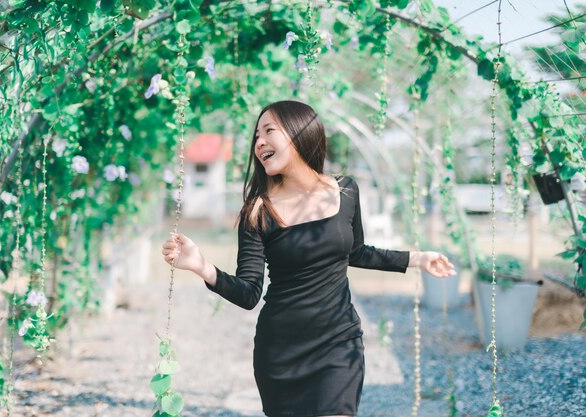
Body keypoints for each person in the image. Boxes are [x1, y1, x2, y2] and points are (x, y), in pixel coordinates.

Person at [161, 100, 456, 417]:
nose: (259, 142)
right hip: (281, 353)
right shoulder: (258, 210)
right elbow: (249, 293)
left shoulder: (345, 191)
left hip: (338, 343)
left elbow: (356, 252)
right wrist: (200, 266)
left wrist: (417, 258)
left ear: (300, 132)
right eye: (256, 135)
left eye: (269, 131)